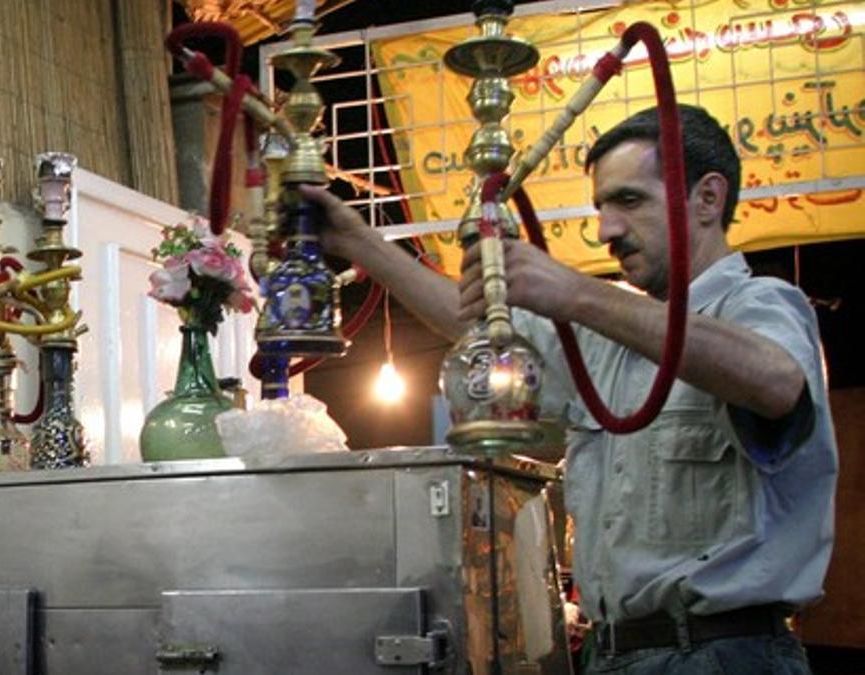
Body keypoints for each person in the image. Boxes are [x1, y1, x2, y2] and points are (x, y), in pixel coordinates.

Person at [299, 104, 837, 674]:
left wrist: (576, 293)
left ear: (706, 198)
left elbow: (776, 382)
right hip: (615, 654)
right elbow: (471, 323)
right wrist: (356, 239)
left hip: (725, 655)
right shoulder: (612, 338)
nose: (607, 230)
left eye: (629, 201)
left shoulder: (759, 305)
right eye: (602, 207)